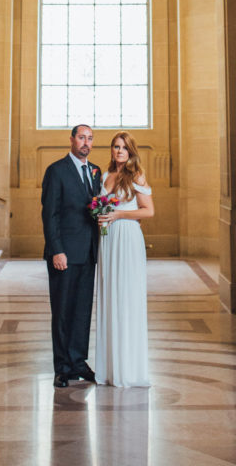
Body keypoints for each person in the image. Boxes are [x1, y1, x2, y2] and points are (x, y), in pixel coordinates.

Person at [40, 123, 101, 388]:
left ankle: (78, 361)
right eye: (81, 137)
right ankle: (62, 367)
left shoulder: (95, 172)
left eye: (89, 138)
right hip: (64, 253)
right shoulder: (56, 171)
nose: (85, 142)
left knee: (82, 310)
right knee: (63, 311)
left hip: (88, 252)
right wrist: (57, 250)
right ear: (71, 140)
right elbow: (49, 214)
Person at [94, 131, 155, 387]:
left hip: (127, 239)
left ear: (131, 152)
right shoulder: (105, 176)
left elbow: (148, 211)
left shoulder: (136, 176)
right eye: (115, 147)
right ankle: (110, 368)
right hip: (108, 240)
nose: (119, 151)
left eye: (124, 148)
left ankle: (129, 369)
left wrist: (118, 215)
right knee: (110, 296)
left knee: (127, 297)